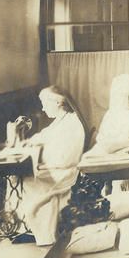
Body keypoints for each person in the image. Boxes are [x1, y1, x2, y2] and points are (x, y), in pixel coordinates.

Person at [17, 86, 86, 246]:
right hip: (57, 168)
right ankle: (26, 225)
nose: (42, 108)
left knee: (25, 180)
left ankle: (39, 230)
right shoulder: (62, 120)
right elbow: (45, 135)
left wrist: (41, 161)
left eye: (44, 103)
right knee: (21, 177)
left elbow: (66, 158)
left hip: (64, 173)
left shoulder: (72, 124)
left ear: (57, 103)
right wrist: (32, 141)